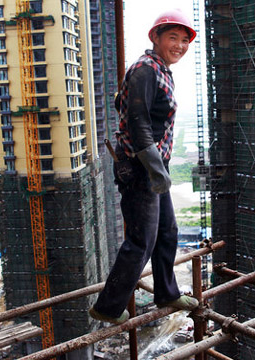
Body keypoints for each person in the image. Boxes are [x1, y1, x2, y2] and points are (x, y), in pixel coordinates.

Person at [89, 9, 199, 325]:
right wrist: (155, 169)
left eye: (184, 40)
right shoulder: (146, 69)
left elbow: (125, 106)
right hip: (140, 170)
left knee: (168, 232)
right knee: (141, 241)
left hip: (152, 167)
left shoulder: (160, 70)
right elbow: (137, 122)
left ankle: (166, 291)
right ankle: (108, 307)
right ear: (156, 37)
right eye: (172, 38)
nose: (179, 45)